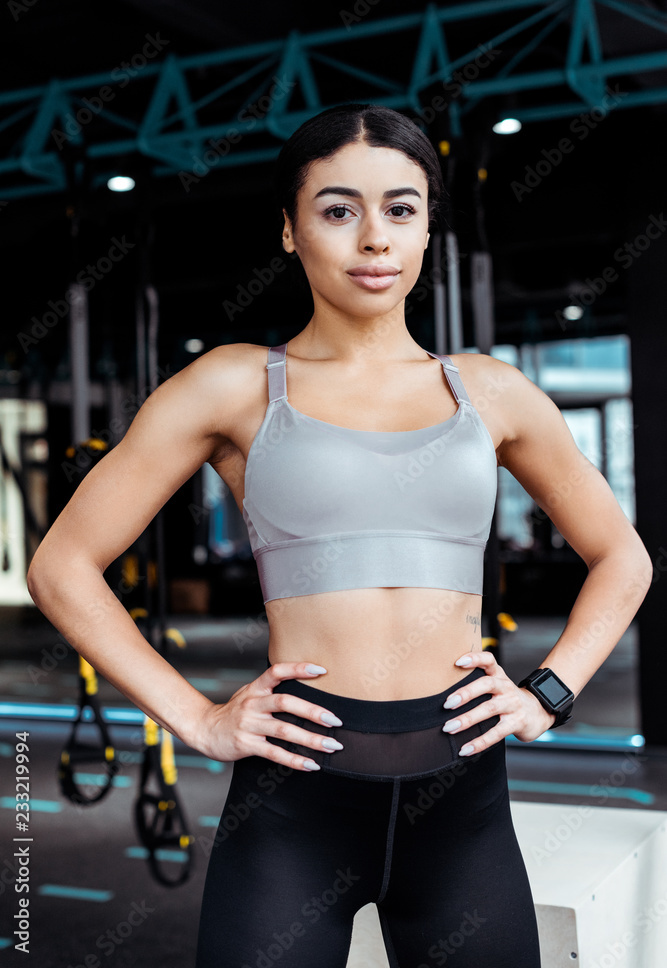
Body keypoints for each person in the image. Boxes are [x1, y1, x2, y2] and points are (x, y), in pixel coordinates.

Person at [27, 102, 652, 968]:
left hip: (461, 804)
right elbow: (61, 566)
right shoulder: (235, 385)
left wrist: (546, 693)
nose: (372, 238)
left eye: (400, 208)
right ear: (288, 230)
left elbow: (623, 557)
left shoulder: (492, 393)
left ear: (428, 225)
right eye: (336, 209)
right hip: (291, 812)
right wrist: (197, 719)